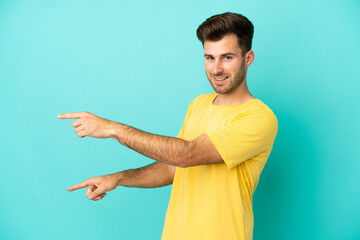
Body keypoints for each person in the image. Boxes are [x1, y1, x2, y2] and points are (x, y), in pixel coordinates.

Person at [58, 12, 278, 240]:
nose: (216, 69)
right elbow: (172, 167)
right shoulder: (199, 104)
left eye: (227, 58)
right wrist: (118, 178)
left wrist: (114, 129)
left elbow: (187, 155)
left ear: (248, 58)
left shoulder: (259, 117)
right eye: (210, 58)